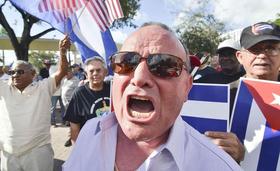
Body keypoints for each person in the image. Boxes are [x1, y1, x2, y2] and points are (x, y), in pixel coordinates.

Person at [63, 22, 242, 171]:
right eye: (126, 62)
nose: (139, 78)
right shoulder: (90, 131)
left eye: (164, 65)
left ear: (187, 87)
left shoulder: (218, 166)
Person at [205, 21, 280, 165]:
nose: (263, 56)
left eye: (271, 48)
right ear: (240, 57)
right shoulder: (223, 98)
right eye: (254, 49)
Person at [0, 36, 70, 171]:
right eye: (12, 72)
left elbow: (62, 72)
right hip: (9, 153)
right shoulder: (4, 88)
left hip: (37, 151)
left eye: (20, 71)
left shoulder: (43, 87)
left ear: (32, 74)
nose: (15, 75)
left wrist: (62, 52)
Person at [63, 57, 111, 142]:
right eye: (91, 71)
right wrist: (77, 150)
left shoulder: (113, 89)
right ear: (86, 74)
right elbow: (74, 126)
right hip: (89, 144)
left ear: (105, 72)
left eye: (98, 70)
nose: (95, 74)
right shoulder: (79, 93)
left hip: (111, 143)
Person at [61, 68, 80, 147]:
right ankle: (72, 137)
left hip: (73, 106)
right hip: (66, 105)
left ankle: (72, 139)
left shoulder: (76, 81)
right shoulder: (65, 80)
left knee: (73, 124)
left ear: (70, 73)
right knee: (70, 124)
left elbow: (78, 93)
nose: (65, 75)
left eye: (66, 73)